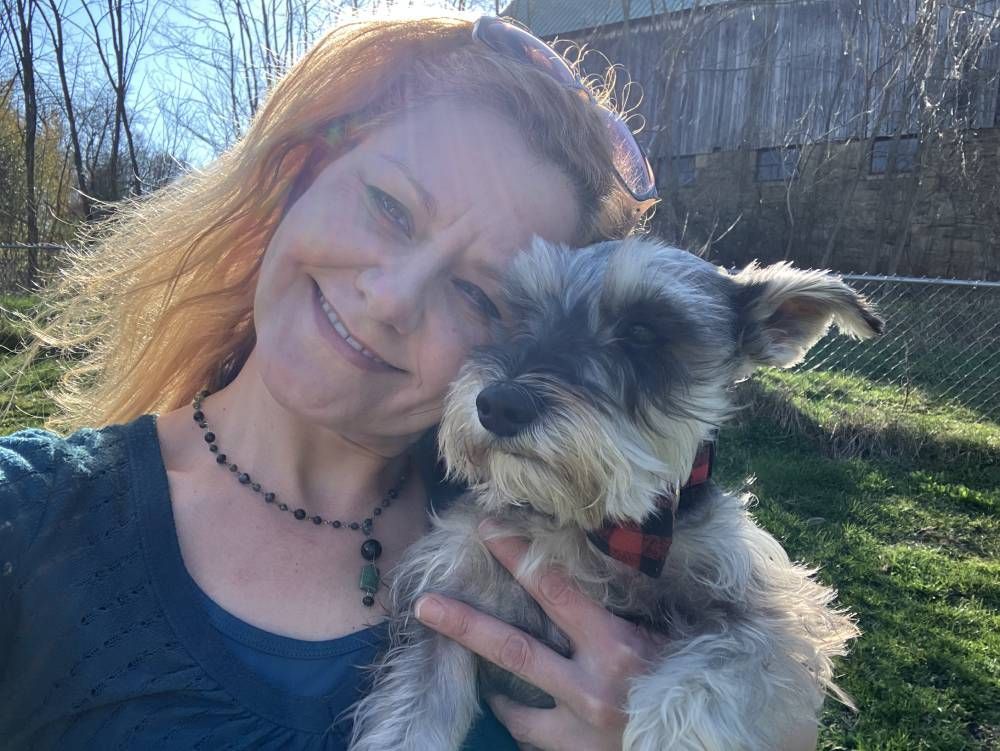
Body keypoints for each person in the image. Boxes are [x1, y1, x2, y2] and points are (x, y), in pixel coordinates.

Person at [0, 12, 819, 750]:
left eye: (477, 293)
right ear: (299, 171)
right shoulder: (29, 520)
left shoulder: (583, 516)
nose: (389, 298)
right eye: (390, 206)